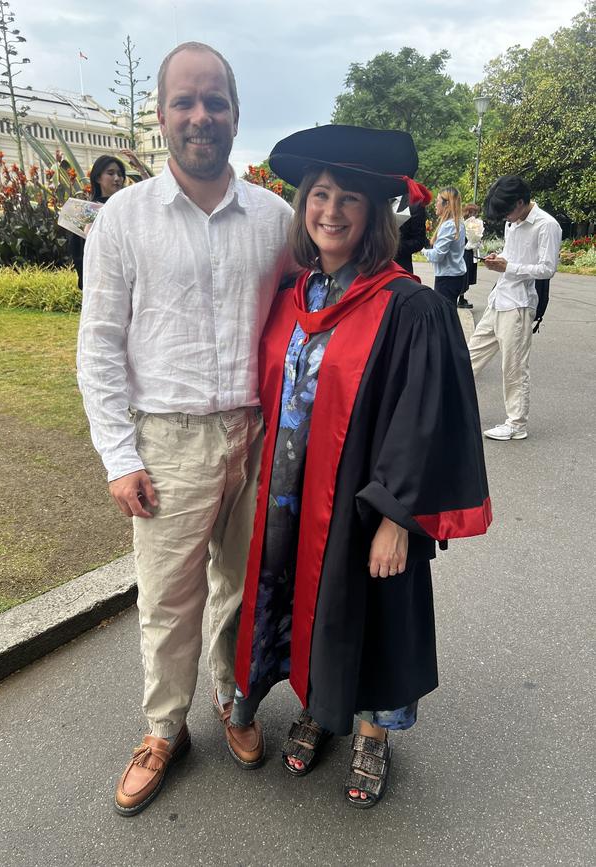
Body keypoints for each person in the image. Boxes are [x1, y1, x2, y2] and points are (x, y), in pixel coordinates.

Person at [229, 125, 491, 809]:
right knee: (313, 606)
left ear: (375, 215)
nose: (331, 210)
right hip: (294, 497)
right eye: (319, 194)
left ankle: (372, 732)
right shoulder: (297, 294)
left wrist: (398, 518)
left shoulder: (410, 308)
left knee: (372, 613)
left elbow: (424, 421)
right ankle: (322, 707)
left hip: (367, 505)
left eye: (350, 198)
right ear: (303, 206)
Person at [76, 42, 294, 816]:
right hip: (167, 440)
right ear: (161, 114)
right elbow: (98, 343)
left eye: (216, 101)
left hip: (257, 432)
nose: (201, 116)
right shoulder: (125, 220)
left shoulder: (277, 219)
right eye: (185, 102)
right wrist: (117, 455)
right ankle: (163, 728)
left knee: (240, 583)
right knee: (169, 599)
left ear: (236, 113)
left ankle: (230, 696)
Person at [468, 175, 562, 441]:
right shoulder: (514, 223)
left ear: (521, 202)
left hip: (519, 305)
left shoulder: (547, 225)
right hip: (499, 299)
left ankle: (517, 424)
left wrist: (509, 266)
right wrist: (500, 259)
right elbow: (512, 254)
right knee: (469, 357)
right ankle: (450, 406)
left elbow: (547, 269)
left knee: (513, 367)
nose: (507, 219)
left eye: (508, 212)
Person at [68, 155, 126, 289]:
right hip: (100, 282)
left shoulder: (128, 207)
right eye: (110, 173)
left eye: (120, 174)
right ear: (98, 177)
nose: (117, 178)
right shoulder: (87, 211)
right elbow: (77, 251)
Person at [422, 186, 466, 305]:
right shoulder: (458, 224)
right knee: (450, 314)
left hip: (447, 279)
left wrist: (423, 251)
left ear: (446, 204)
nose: (435, 204)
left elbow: (437, 256)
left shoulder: (448, 226)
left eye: (437, 201)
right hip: (455, 277)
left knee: (445, 317)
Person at [457, 202, 484, 309]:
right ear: (469, 212)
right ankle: (460, 298)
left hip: (469, 252)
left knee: (466, 275)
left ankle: (461, 298)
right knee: (464, 275)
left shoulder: (467, 223)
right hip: (465, 252)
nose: (476, 215)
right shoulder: (463, 223)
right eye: (474, 212)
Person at [393, 193, 427, 273]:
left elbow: (419, 241)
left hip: (400, 269)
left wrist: (392, 247)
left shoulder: (413, 204)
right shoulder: (376, 198)